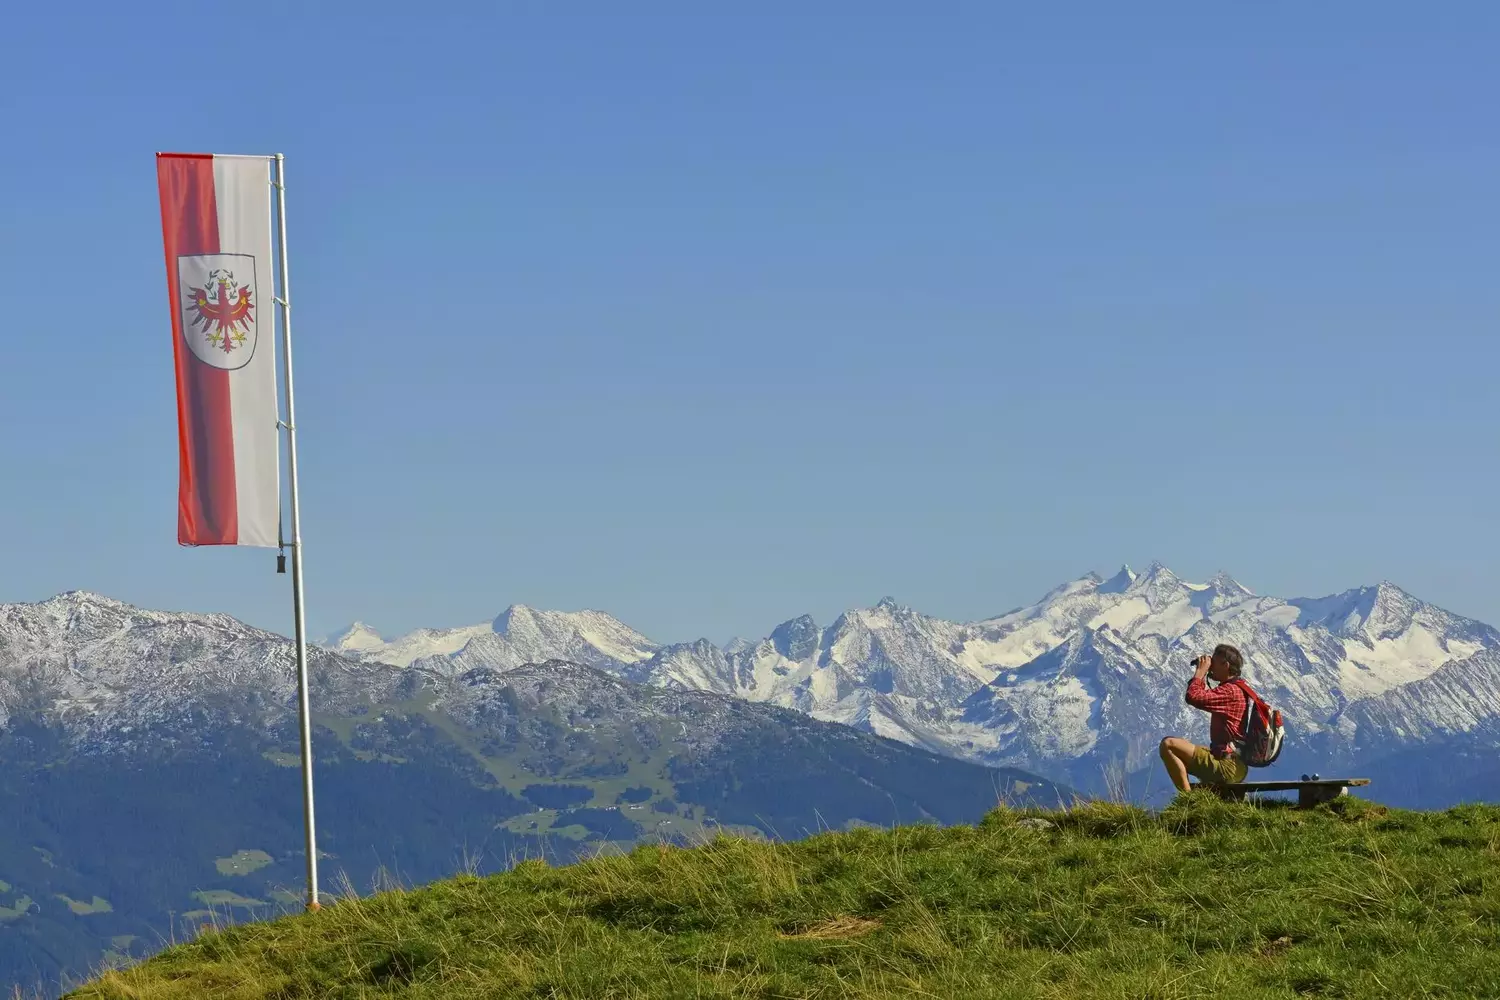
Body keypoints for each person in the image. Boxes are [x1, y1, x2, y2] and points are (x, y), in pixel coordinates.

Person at [1158, 643, 1249, 792]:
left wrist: (1200, 673)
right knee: (1185, 747)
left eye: (1214, 662)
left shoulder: (1230, 691)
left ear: (1225, 665)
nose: (1211, 667)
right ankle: (1194, 797)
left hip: (1227, 766)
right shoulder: (1238, 687)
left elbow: (1193, 697)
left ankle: (1187, 800)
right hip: (1235, 764)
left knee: (1168, 744)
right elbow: (1203, 697)